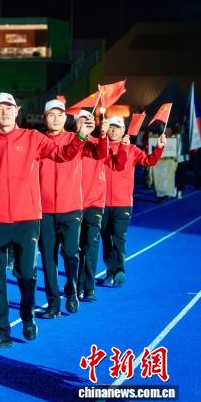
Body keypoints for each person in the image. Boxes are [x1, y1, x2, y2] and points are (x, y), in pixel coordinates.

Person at [0, 92, 94, 349]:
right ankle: (1, 332)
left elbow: (62, 154)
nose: (5, 112)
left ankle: (27, 317)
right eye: (0, 108)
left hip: (27, 220)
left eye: (9, 107)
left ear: (17, 111)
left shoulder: (33, 138)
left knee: (26, 275)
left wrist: (80, 137)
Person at [36, 101, 109, 319]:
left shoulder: (75, 138)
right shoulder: (37, 141)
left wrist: (102, 135)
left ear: (65, 118)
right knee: (48, 258)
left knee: (70, 253)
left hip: (71, 208)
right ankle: (53, 303)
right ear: (44, 118)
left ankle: (72, 289)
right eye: (51, 114)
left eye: (60, 114)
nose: (56, 118)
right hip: (44, 210)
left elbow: (99, 154)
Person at [99, 117, 165, 288]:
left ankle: (119, 270)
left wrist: (159, 147)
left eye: (117, 127)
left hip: (123, 203)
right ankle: (111, 270)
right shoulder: (101, 148)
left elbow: (149, 161)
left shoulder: (132, 150)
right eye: (111, 127)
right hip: (101, 202)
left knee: (118, 237)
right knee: (106, 238)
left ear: (123, 131)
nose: (114, 130)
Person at [76, 110, 127, 302]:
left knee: (93, 246)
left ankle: (89, 286)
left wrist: (104, 135)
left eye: (88, 120)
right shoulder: (69, 144)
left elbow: (115, 161)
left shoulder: (99, 144)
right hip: (72, 204)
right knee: (73, 250)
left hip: (96, 203)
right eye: (81, 120)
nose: (85, 123)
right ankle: (76, 284)